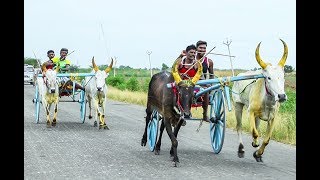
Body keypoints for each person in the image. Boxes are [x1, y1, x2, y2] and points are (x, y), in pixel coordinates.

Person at [195, 40, 214, 122]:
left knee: (208, 89)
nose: (202, 50)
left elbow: (212, 76)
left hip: (202, 84)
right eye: (200, 48)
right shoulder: (191, 58)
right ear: (196, 49)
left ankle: (205, 115)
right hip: (190, 83)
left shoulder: (209, 62)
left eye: (204, 48)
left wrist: (210, 84)